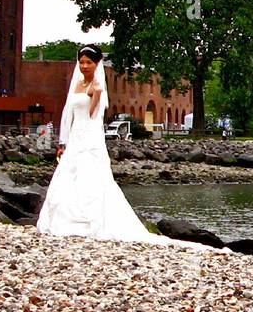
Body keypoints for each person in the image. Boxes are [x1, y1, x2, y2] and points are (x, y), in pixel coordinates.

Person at [35, 44, 230, 254]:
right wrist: (63, 141)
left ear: (97, 63)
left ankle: (90, 219)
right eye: (81, 62)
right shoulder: (77, 85)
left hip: (90, 136)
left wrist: (97, 95)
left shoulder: (97, 87)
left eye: (88, 62)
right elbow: (68, 113)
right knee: (69, 174)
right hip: (76, 136)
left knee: (90, 174)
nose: (84, 66)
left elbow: (93, 116)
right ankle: (64, 217)